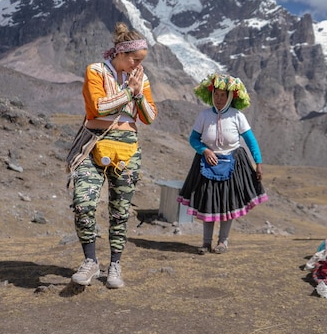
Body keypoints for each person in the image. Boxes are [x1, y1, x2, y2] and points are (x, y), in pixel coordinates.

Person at [67, 22, 157, 288]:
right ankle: (90, 261)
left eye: (141, 61)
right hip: (92, 145)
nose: (137, 65)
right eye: (134, 59)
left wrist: (139, 95)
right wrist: (129, 91)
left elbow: (150, 117)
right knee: (83, 203)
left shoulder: (141, 79)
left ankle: (114, 265)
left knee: (120, 210)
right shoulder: (95, 71)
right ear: (119, 53)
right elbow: (98, 108)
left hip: (127, 150)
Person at [177, 73, 268, 254]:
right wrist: (205, 150)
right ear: (211, 95)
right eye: (216, 95)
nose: (219, 99)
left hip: (233, 163)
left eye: (223, 95)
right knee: (208, 202)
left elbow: (250, 141)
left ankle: (223, 242)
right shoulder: (204, 116)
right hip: (207, 164)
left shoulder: (237, 116)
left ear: (230, 97)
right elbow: (194, 139)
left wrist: (258, 162)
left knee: (228, 203)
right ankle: (205, 243)